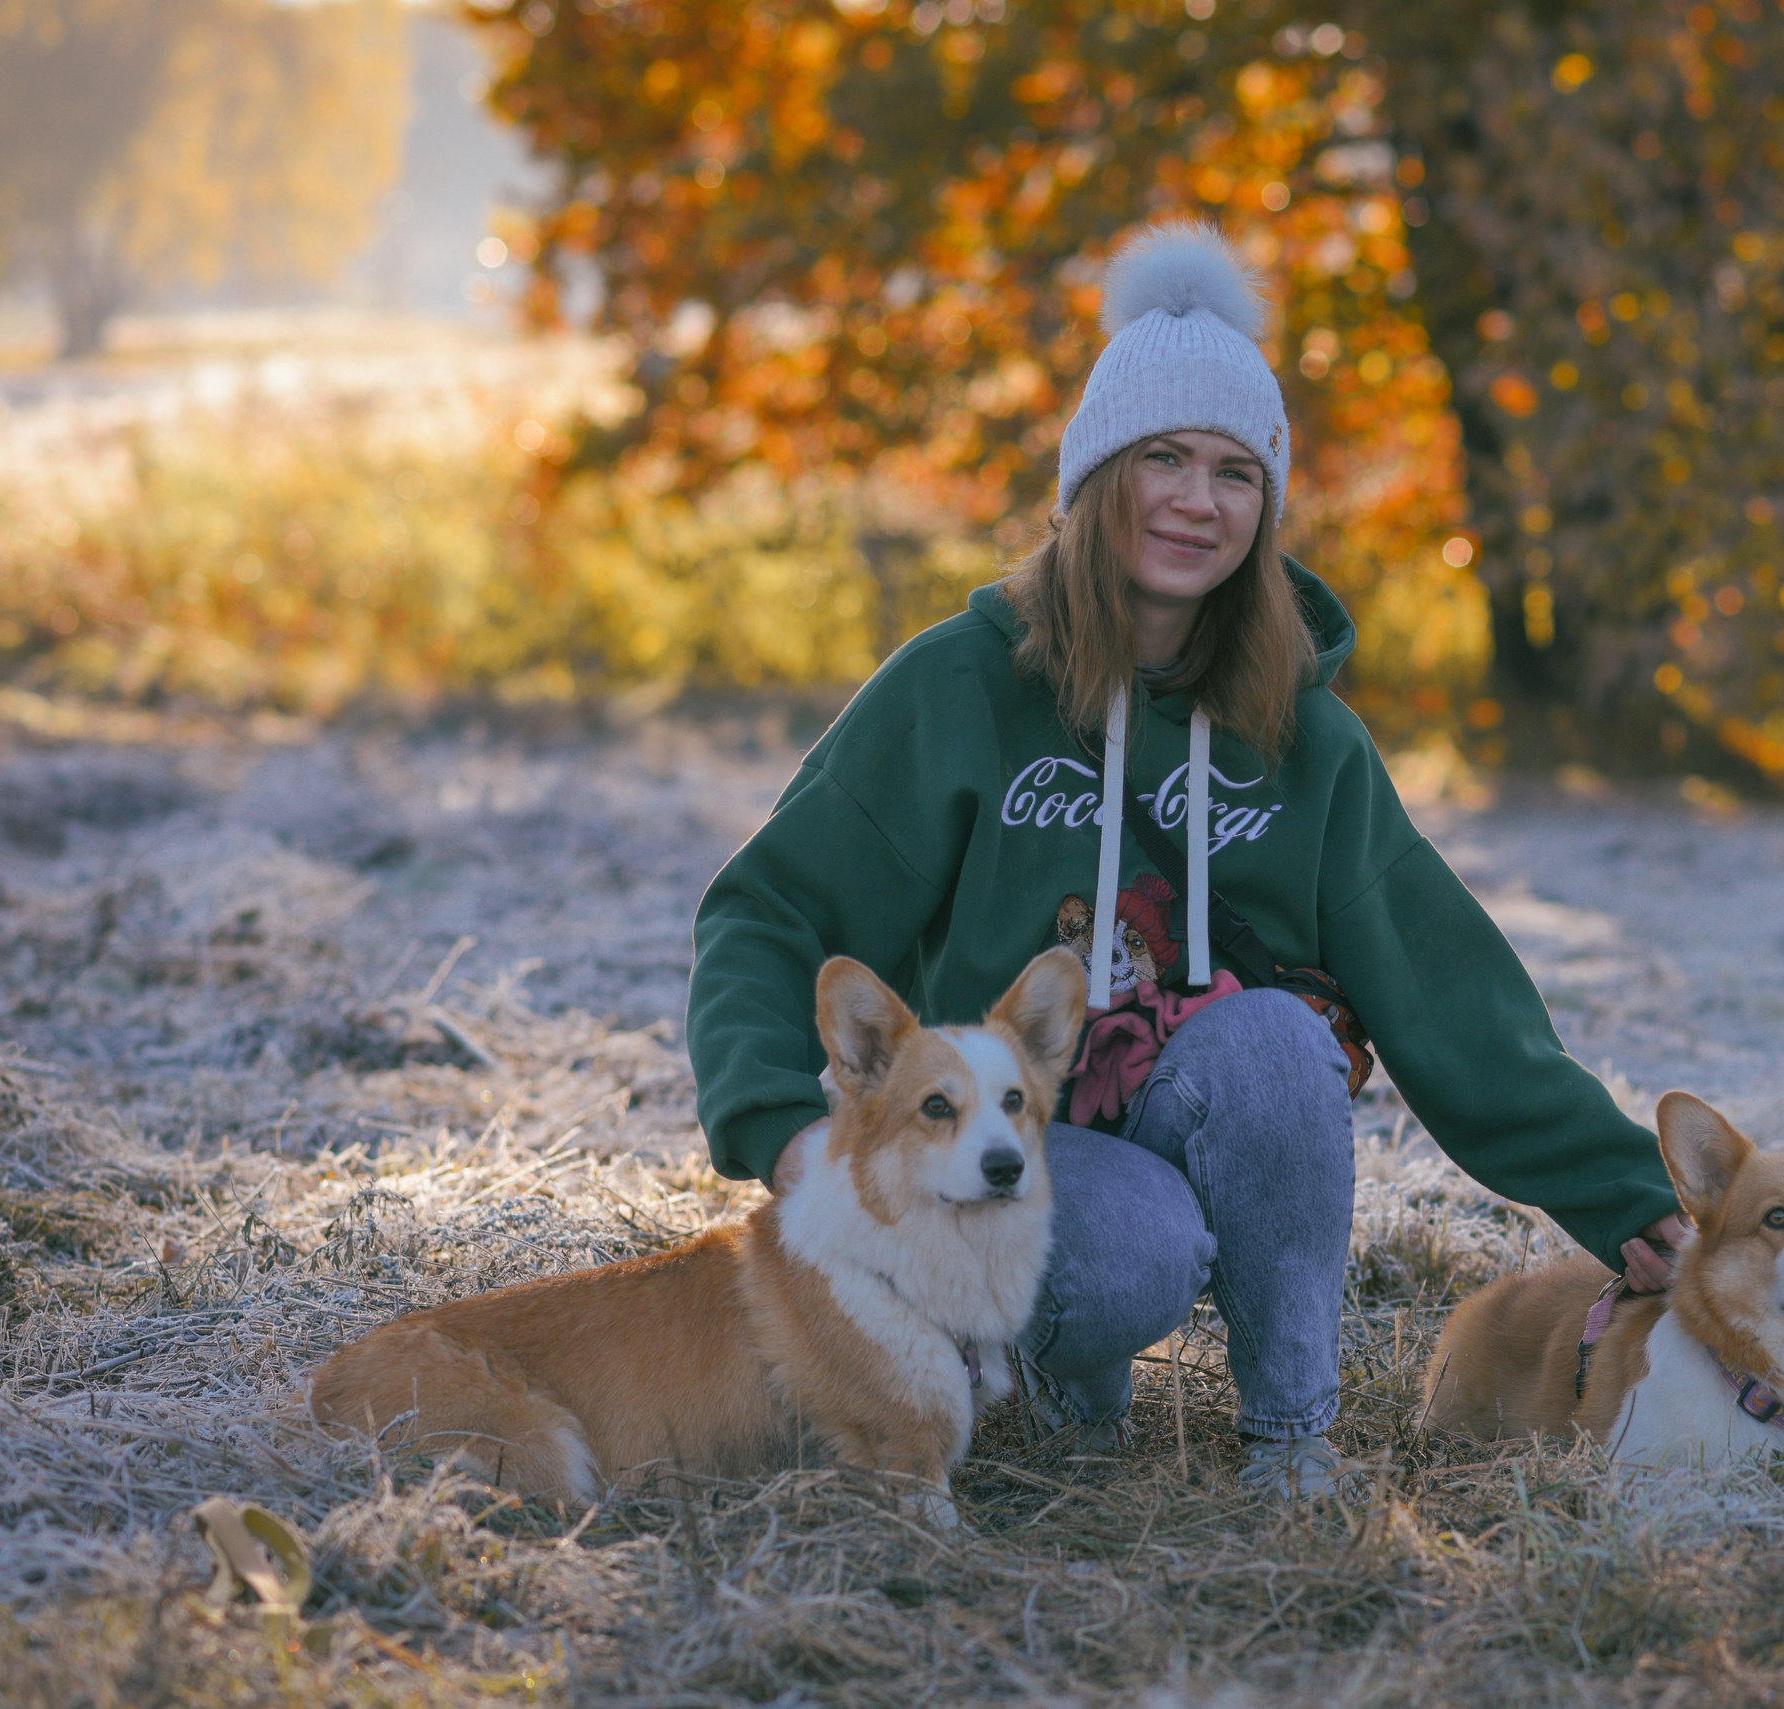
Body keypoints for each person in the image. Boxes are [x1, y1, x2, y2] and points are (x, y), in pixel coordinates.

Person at [687, 222, 1692, 1498]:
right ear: (1095, 476)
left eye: (1232, 470)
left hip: (1189, 1104)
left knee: (1277, 1040)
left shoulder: (1301, 734)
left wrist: (1620, 1189)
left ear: (1264, 505)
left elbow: (1448, 990)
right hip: (1005, 1141)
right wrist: (777, 1124)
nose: (1194, 499)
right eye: (1159, 456)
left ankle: (1291, 1438)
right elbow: (767, 907)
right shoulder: (959, 686)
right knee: (1130, 1254)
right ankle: (1048, 1382)